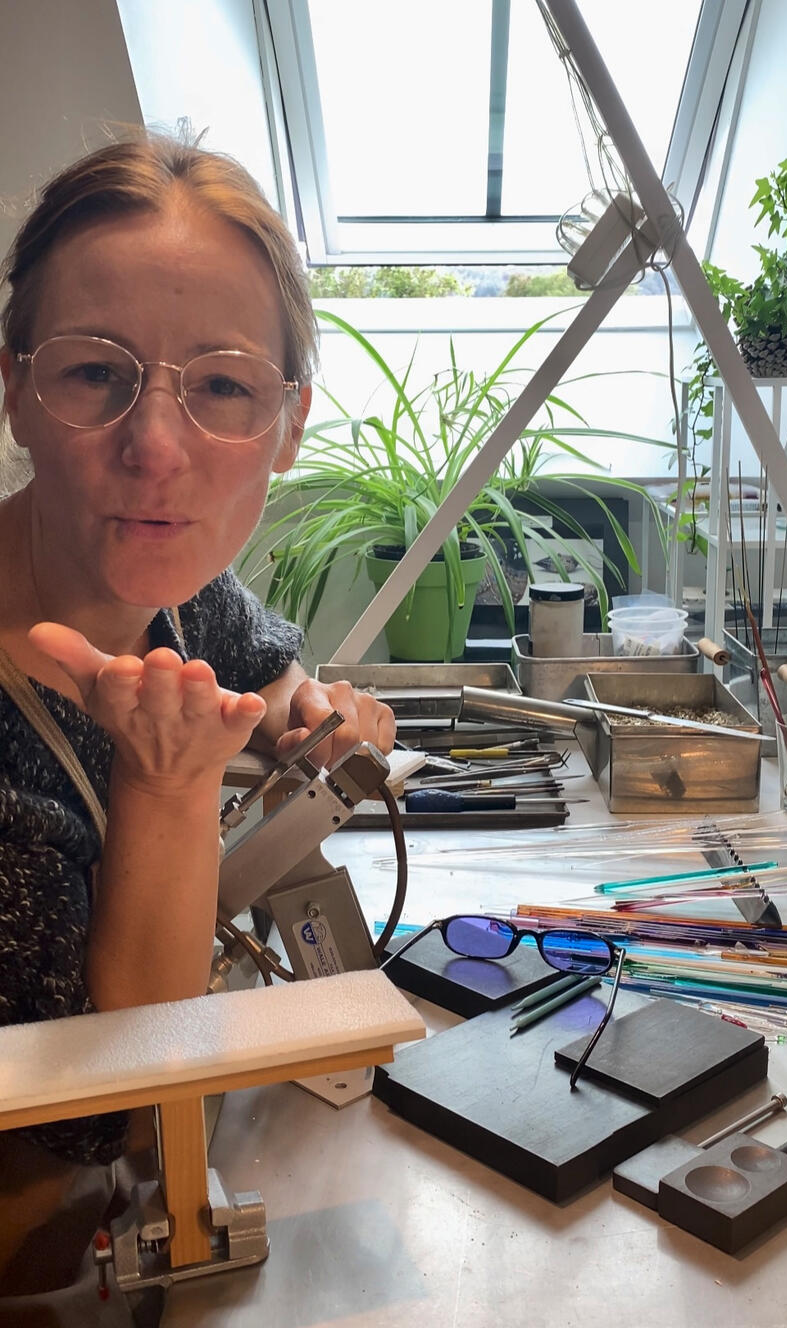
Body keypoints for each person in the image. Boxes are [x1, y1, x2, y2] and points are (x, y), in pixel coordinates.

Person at [0, 130, 395, 1297]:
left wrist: (301, 709)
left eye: (221, 385)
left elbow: (258, 656)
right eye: (94, 372)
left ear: (288, 423)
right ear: (14, 388)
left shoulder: (165, 585)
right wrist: (169, 781)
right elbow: (104, 1099)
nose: (156, 448)